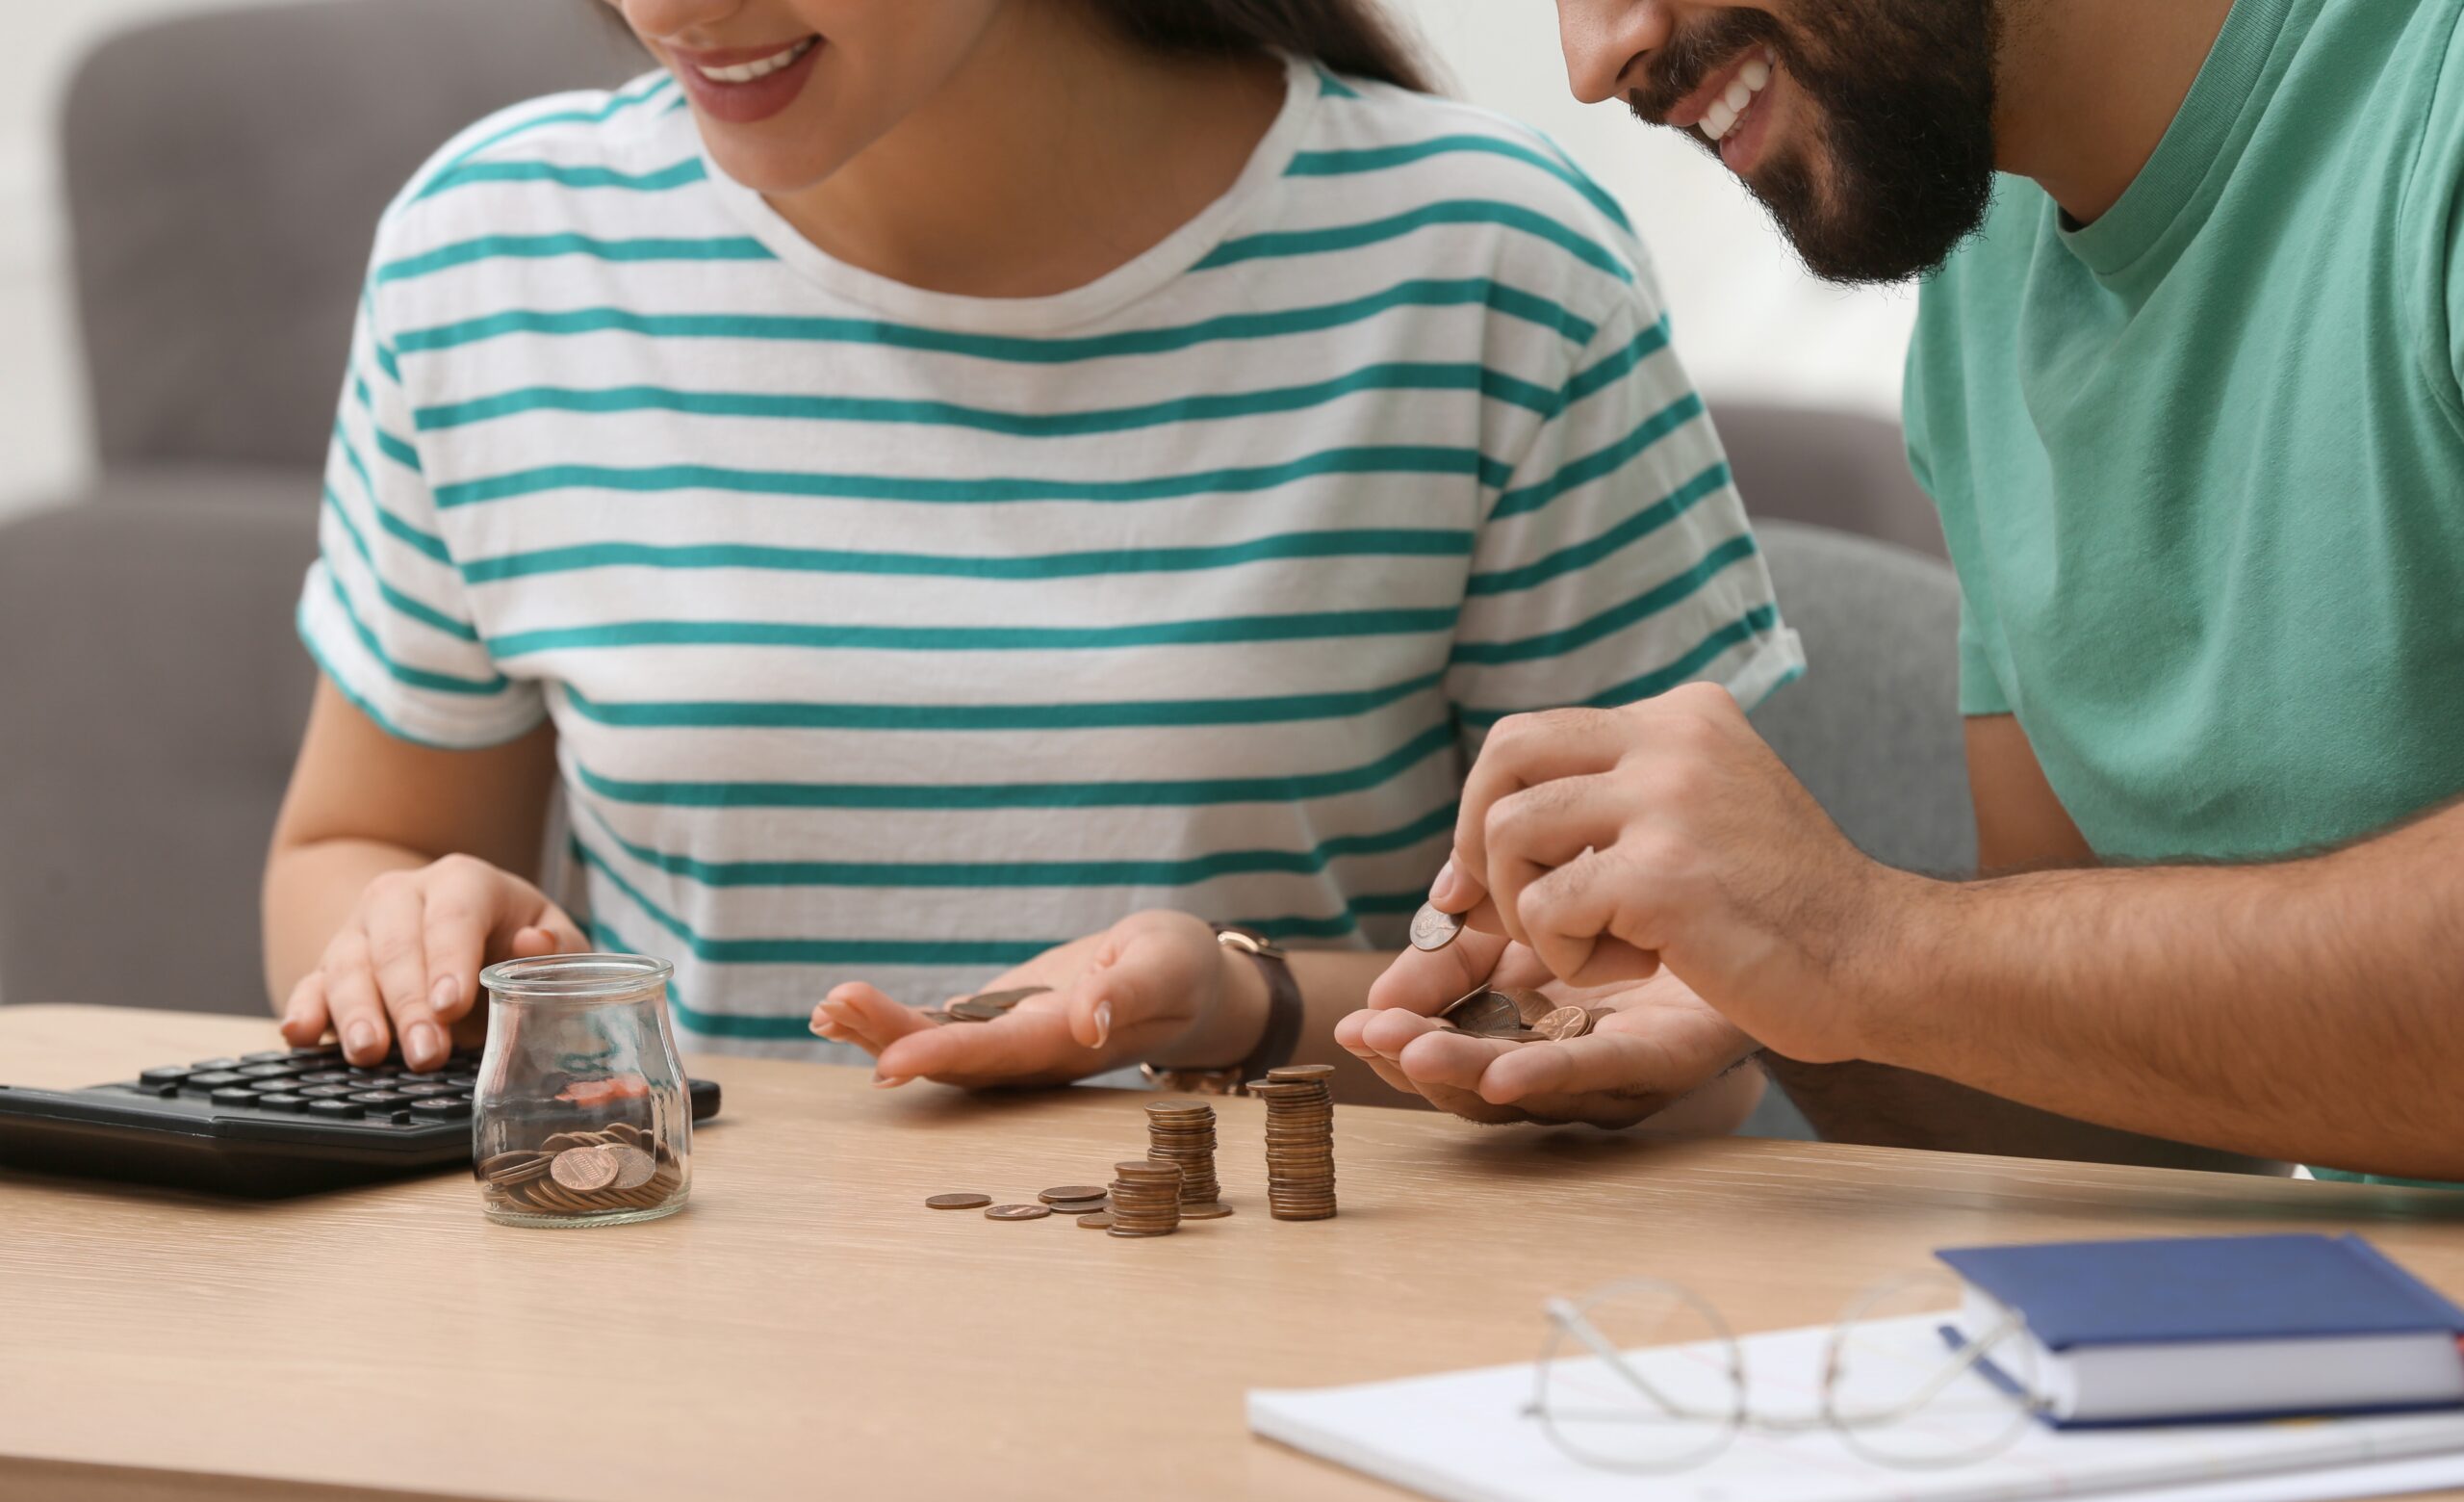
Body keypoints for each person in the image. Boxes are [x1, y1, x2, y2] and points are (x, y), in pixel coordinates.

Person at [262, 0, 1799, 1126]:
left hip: (1299, 1350)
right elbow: (351, 852)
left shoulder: (1488, 265)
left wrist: (1243, 1008)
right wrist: (413, 947)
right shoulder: (490, 252)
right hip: (679, 1341)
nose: (672, 11)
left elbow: (1678, 1019)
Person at [1342, 0, 2464, 1183]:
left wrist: (1863, 947)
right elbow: (2127, 1105)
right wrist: (1787, 1000)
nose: (1594, 57)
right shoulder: (1987, 288)